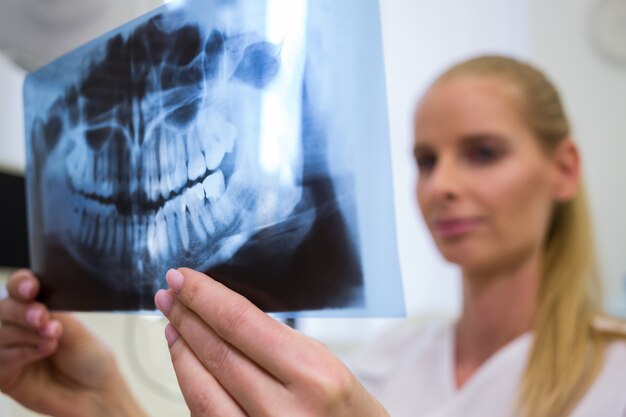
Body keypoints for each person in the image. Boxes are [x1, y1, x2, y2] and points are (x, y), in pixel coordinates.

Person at [1, 55, 626, 417]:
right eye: (426, 161)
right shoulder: (382, 360)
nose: (441, 186)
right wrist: (104, 401)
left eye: (483, 153)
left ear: (564, 168)